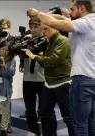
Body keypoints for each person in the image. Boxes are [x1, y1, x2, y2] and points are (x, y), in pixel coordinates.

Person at [27, 1, 95, 135]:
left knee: (79, 124)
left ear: (82, 9)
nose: (69, 12)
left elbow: (55, 23)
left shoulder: (84, 23)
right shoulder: (90, 21)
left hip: (81, 79)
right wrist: (49, 15)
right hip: (89, 78)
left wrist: (37, 14)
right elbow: (64, 18)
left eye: (72, 9)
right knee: (91, 122)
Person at [23, 24, 75, 136]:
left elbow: (52, 61)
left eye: (46, 29)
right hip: (49, 83)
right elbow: (46, 62)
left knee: (68, 117)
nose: (43, 32)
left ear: (55, 28)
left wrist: (35, 57)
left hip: (62, 82)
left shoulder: (63, 41)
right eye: (43, 29)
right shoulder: (48, 41)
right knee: (45, 114)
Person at [19, 18, 47, 136]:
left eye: (36, 26)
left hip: (42, 79)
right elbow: (20, 53)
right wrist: (21, 62)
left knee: (45, 110)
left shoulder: (47, 40)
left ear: (41, 26)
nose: (33, 29)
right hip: (28, 79)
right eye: (31, 26)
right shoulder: (26, 38)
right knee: (29, 109)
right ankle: (33, 131)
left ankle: (46, 132)